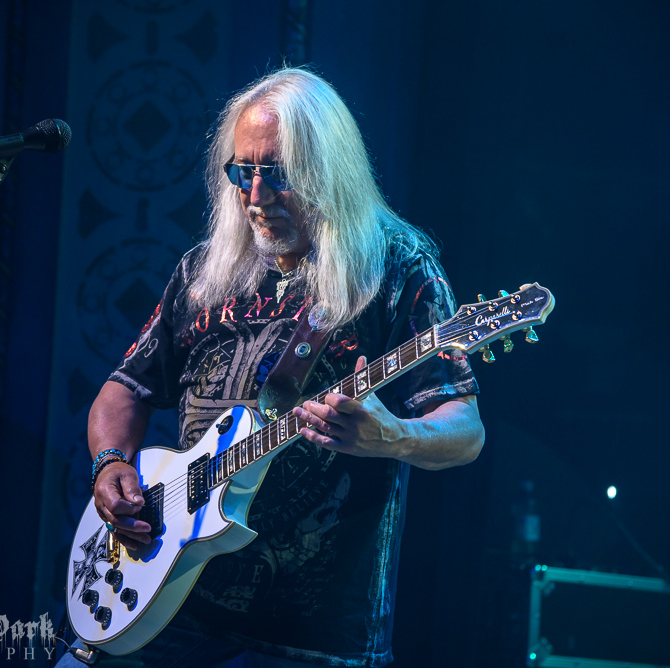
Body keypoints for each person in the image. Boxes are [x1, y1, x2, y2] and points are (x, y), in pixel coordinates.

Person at [62, 68, 484, 667]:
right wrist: (110, 465)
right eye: (243, 171)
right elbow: (124, 389)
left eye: (278, 175)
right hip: (165, 605)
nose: (255, 196)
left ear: (328, 171)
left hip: (310, 637)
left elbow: (466, 431)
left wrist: (393, 435)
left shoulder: (397, 271)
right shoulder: (206, 270)